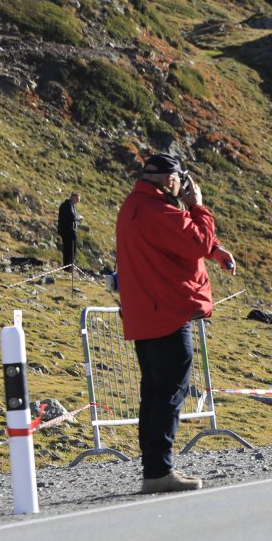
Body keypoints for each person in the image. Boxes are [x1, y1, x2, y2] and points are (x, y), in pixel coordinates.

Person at [114, 154, 235, 494]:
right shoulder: (159, 209)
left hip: (146, 313)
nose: (184, 185)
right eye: (181, 178)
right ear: (171, 180)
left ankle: (154, 468)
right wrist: (197, 206)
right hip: (167, 313)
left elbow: (178, 243)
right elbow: (196, 240)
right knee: (169, 393)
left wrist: (215, 250)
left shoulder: (136, 205)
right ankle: (159, 471)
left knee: (154, 393)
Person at [57, 192, 82, 270]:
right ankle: (68, 266)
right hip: (68, 230)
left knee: (69, 249)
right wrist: (79, 217)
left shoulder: (69, 205)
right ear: (73, 198)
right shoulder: (67, 205)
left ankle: (68, 266)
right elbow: (72, 216)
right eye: (77, 200)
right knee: (70, 249)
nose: (77, 202)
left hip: (67, 230)